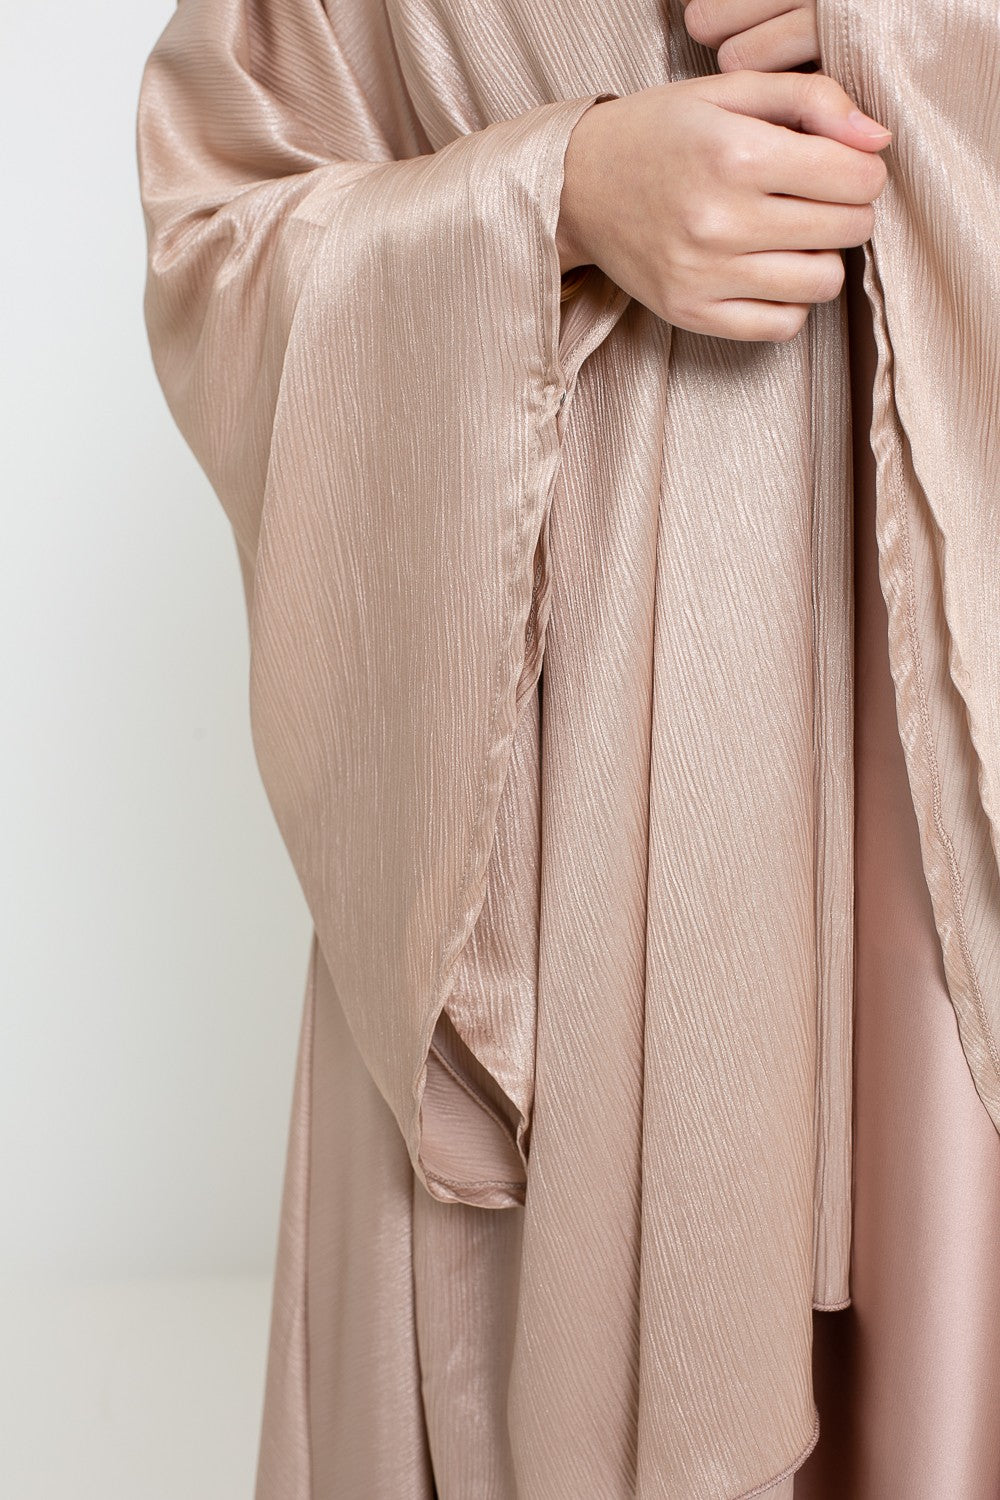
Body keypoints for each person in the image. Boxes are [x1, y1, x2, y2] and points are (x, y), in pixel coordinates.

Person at [135, 0, 1000, 1494]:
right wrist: (560, 197)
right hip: (549, 800)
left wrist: (929, 35)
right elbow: (218, 241)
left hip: (942, 786)